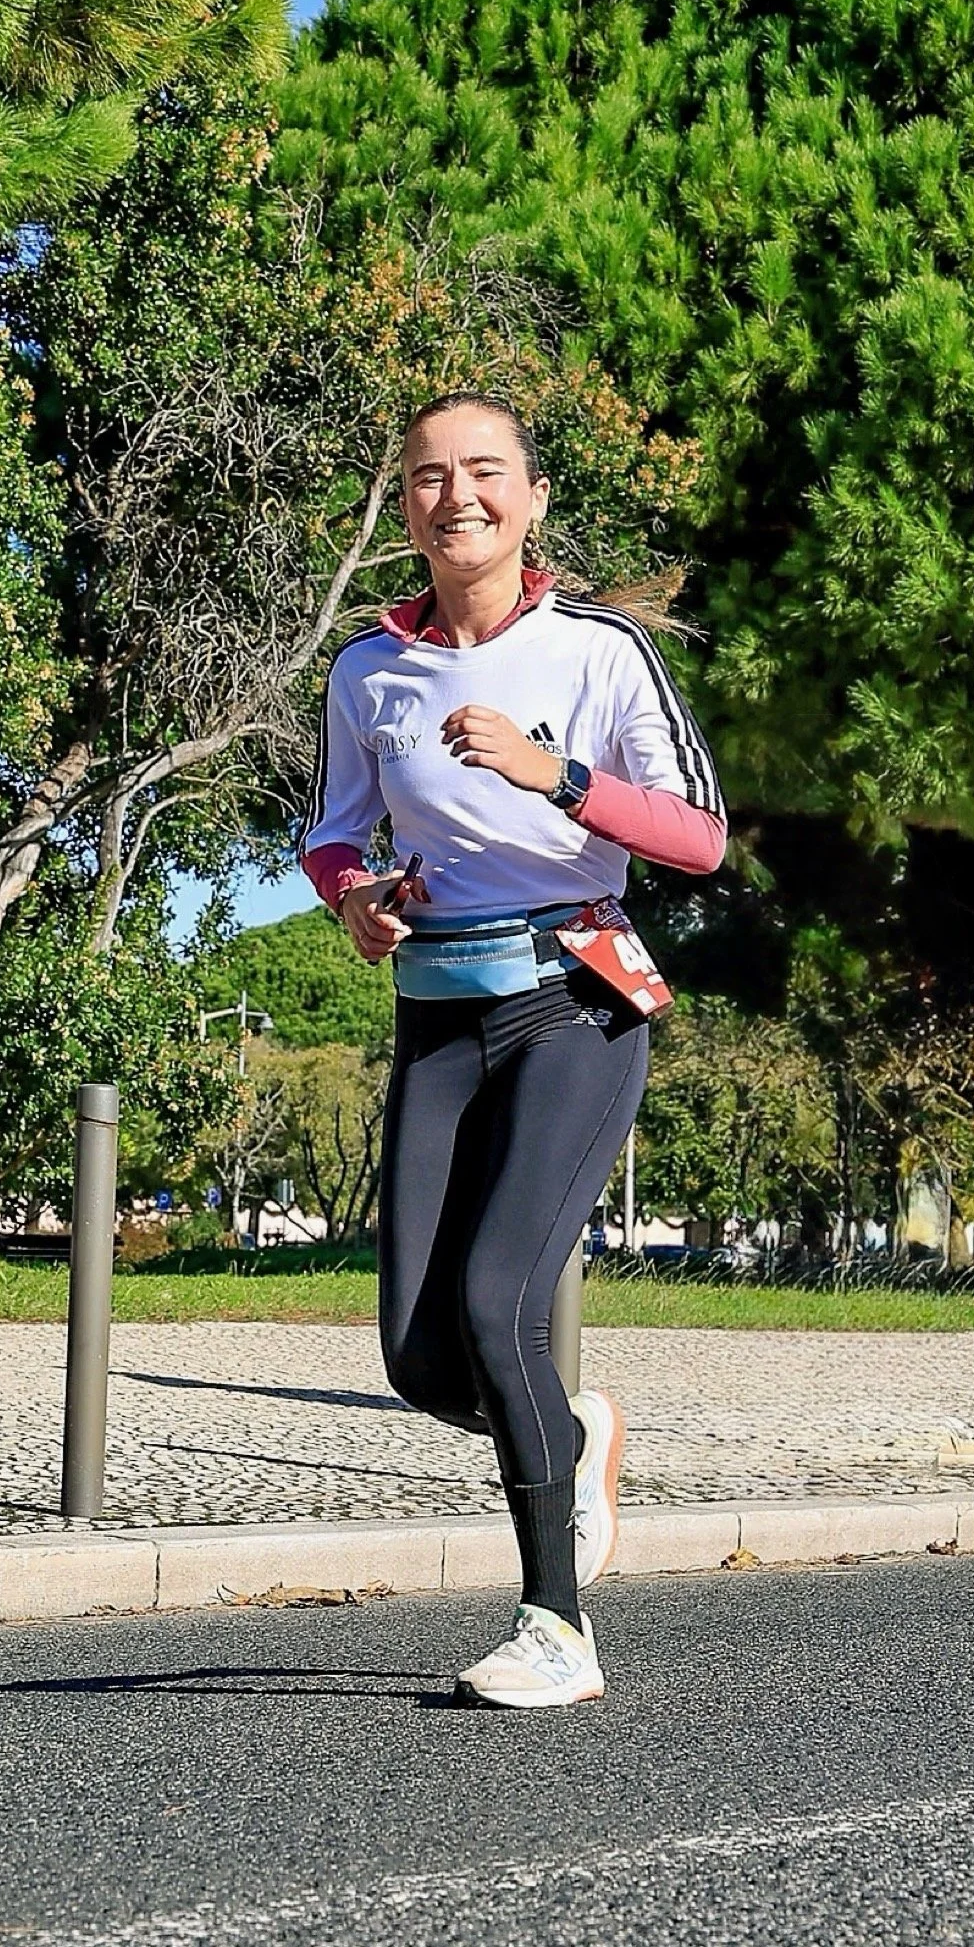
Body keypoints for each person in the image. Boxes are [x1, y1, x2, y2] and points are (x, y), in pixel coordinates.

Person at [300, 391, 726, 1707]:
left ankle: (558, 1627)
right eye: (428, 478)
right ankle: (576, 1433)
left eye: (485, 472)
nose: (456, 497)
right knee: (421, 1359)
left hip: (576, 998)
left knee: (498, 1302)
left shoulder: (597, 650)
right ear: (406, 509)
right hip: (434, 1009)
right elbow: (332, 830)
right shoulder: (369, 670)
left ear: (532, 499)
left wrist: (558, 779)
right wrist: (354, 903)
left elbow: (702, 835)